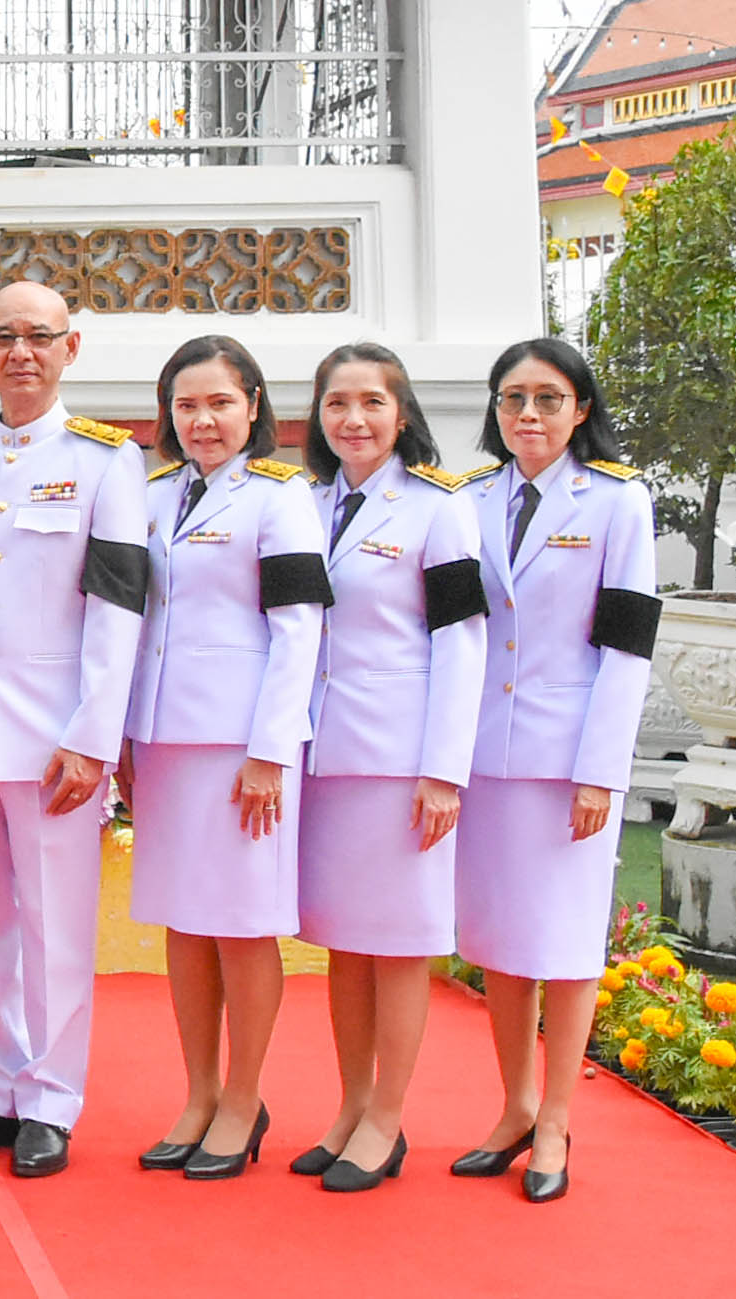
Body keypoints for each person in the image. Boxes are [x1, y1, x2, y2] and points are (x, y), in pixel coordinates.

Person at [0, 283, 148, 1179]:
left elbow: (116, 605)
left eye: (39, 337)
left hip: (55, 738)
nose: (21, 352)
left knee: (55, 925)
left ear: (69, 347)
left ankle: (51, 1098)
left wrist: (92, 735)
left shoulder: (104, 459)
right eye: (4, 337)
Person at [450, 336, 659, 1204]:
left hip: (568, 756)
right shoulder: (465, 499)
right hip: (480, 752)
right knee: (500, 941)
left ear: (580, 409)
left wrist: (599, 769)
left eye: (546, 398)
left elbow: (626, 644)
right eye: (512, 398)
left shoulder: (615, 499)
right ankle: (515, 1105)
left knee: (567, 944)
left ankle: (557, 1120)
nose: (527, 414)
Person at [126, 335, 329, 1180]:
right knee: (183, 921)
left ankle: (244, 1097)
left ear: (252, 404)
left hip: (241, 747)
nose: (201, 420)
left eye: (217, 402)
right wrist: (125, 737)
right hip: (163, 740)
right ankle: (199, 1092)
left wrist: (268, 750)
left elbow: (298, 631)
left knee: (242, 925)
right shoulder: (152, 495)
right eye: (185, 404)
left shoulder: (280, 497)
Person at [287, 344, 485, 1192]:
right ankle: (350, 1104)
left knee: (398, 943)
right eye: (336, 402)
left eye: (371, 401)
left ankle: (387, 1117)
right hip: (324, 754)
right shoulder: (304, 502)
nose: (353, 419)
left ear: (401, 414)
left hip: (402, 760)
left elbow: (461, 643)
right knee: (345, 942)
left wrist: (442, 769)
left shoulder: (439, 508)